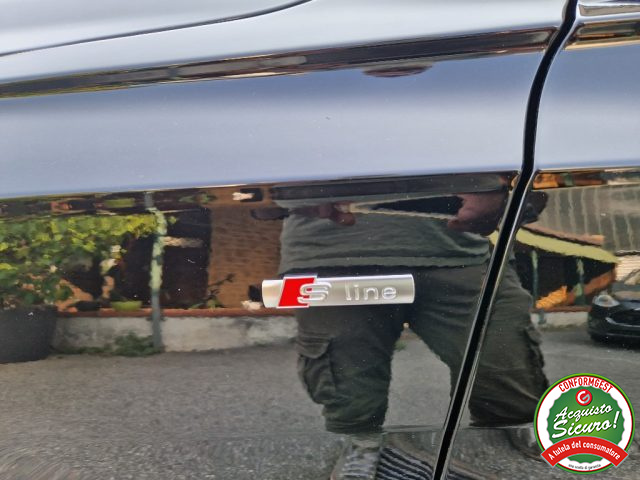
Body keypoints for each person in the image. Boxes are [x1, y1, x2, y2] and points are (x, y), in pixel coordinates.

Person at [272, 177, 548, 479]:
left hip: (463, 249)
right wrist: (298, 189)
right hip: (331, 251)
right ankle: (359, 443)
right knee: (348, 384)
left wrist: (497, 184)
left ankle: (505, 439)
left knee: (505, 371)